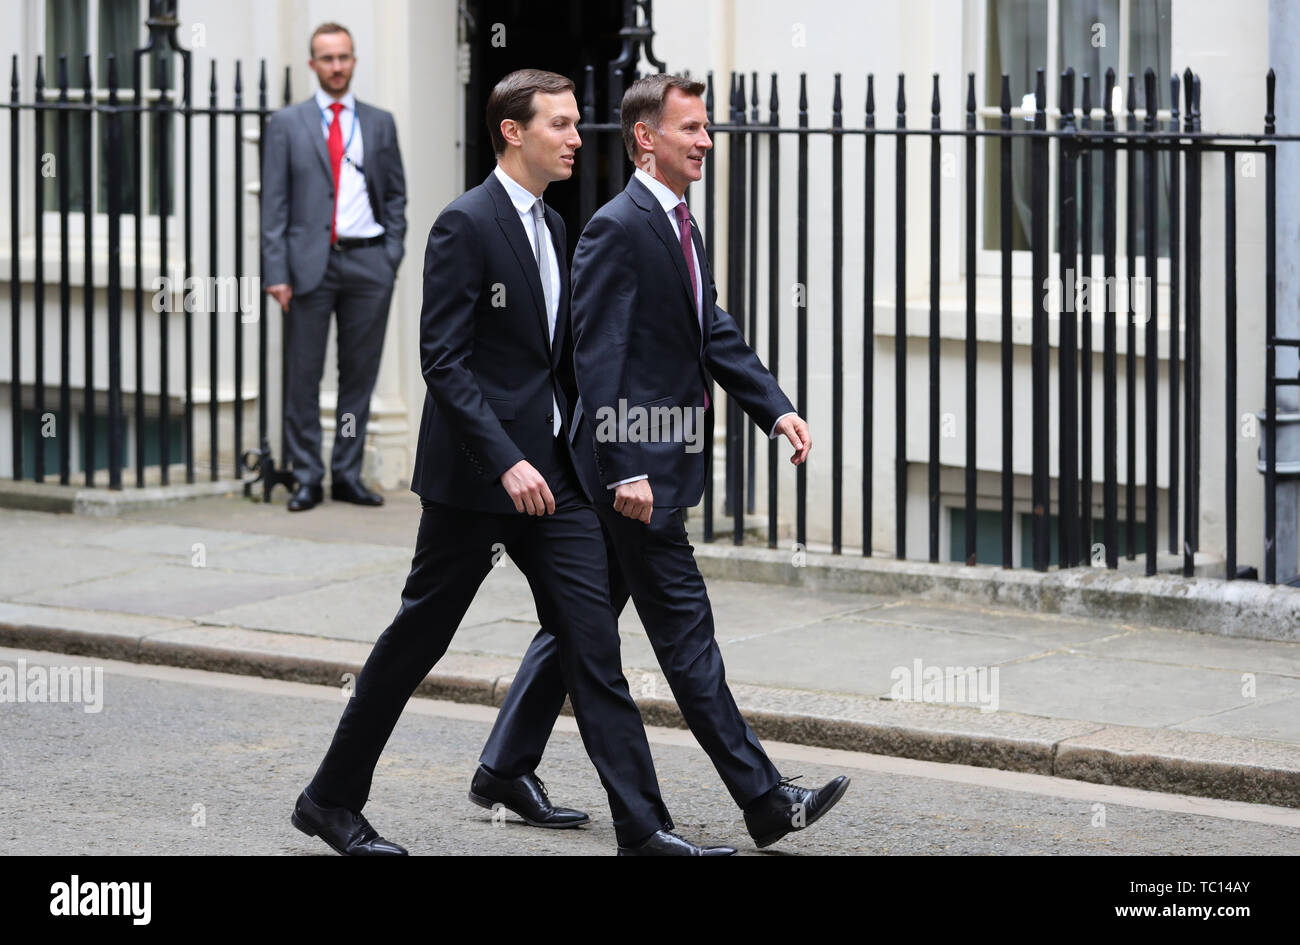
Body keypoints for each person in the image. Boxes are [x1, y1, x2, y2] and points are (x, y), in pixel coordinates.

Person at [291, 69, 733, 856]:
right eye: (560, 125)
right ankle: (329, 798)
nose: (575, 137)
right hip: (475, 483)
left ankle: (644, 827)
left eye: (574, 123)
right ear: (513, 132)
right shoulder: (466, 224)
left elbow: (559, 362)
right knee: (415, 641)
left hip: (552, 479)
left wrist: (592, 454)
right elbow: (445, 362)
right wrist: (505, 462)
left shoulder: (557, 227)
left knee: (592, 642)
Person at [473, 73, 850, 850]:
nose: (706, 140)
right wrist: (626, 467)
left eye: (705, 128)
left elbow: (712, 331)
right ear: (648, 138)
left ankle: (504, 764)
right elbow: (598, 354)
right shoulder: (619, 225)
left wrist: (775, 407)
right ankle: (766, 798)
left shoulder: (677, 222)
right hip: (627, 477)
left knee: (580, 624)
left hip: (643, 466)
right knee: (686, 634)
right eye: (691, 128)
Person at [260, 21, 406, 512]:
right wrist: (276, 271)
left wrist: (391, 257)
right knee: (303, 377)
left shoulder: (380, 122)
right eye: (327, 58)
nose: (337, 66)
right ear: (313, 64)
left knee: (358, 377)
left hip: (369, 263)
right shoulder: (286, 124)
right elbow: (274, 206)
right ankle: (307, 476)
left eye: (344, 57)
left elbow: (396, 196)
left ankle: (346, 474)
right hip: (307, 267)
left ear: (354, 61)